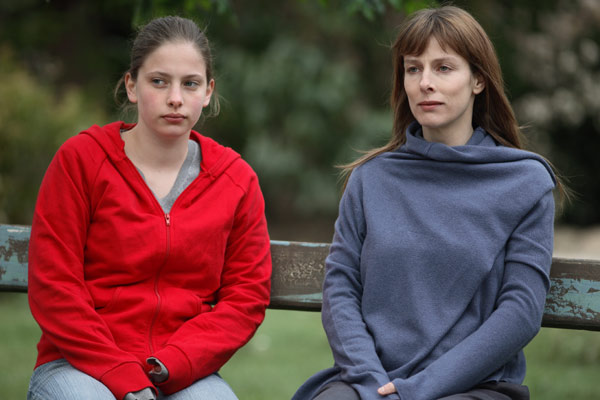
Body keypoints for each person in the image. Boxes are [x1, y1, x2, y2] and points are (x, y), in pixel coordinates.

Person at [294, 5, 563, 400]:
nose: (425, 83)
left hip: (473, 386)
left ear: (478, 81)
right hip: (369, 381)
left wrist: (417, 390)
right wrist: (373, 383)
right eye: (413, 68)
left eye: (443, 68)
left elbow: (520, 313)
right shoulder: (372, 178)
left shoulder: (524, 183)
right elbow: (340, 287)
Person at [26, 16, 271, 400]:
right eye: (159, 81)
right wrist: (123, 375)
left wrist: (172, 364)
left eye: (189, 84)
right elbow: (55, 286)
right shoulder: (82, 161)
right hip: (79, 364)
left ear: (208, 91)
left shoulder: (236, 180)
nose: (176, 97)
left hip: (182, 371)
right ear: (132, 86)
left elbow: (246, 297)